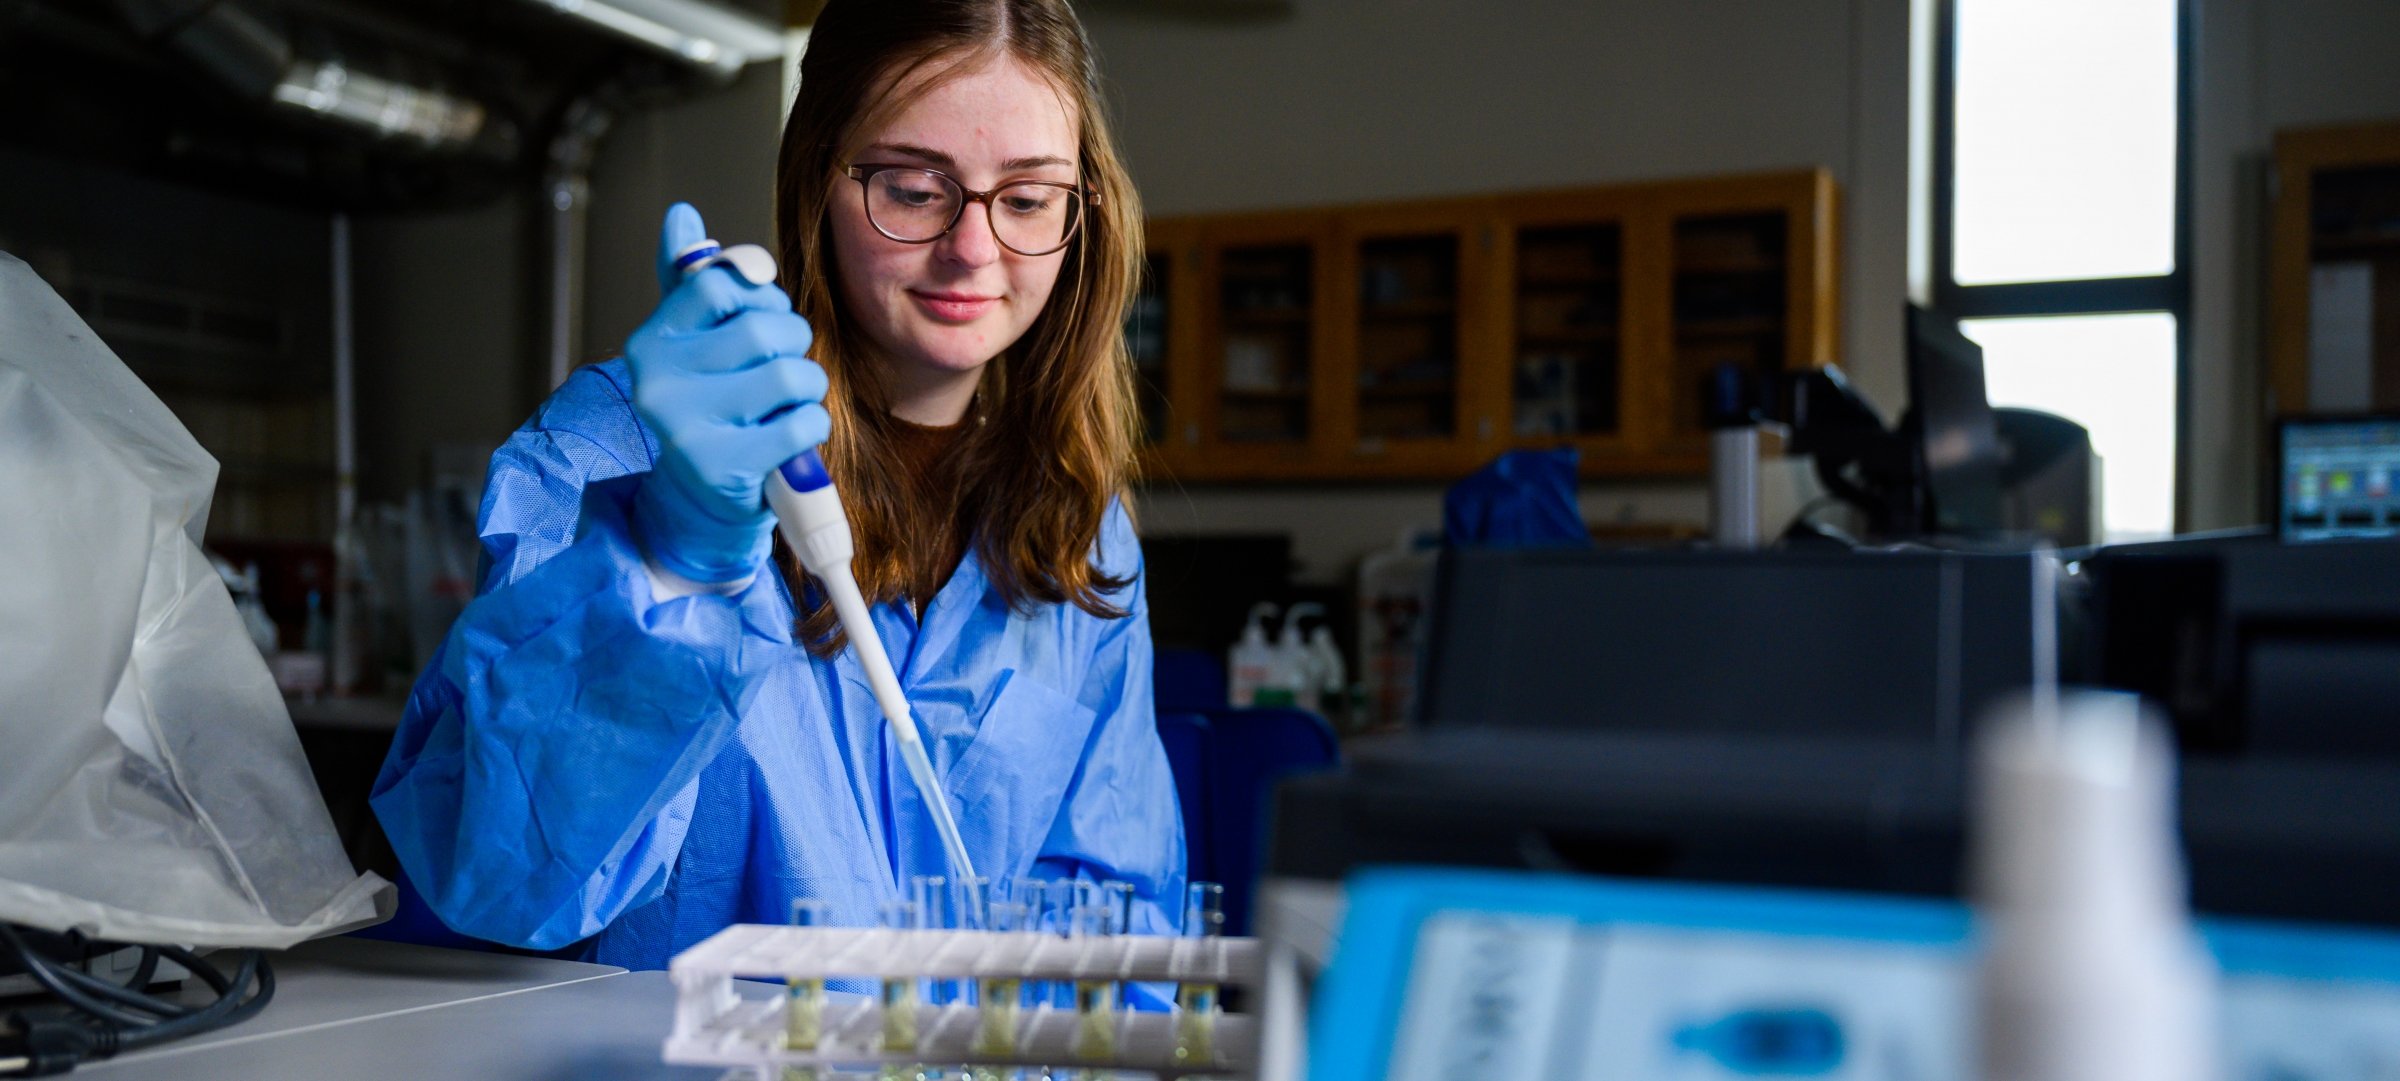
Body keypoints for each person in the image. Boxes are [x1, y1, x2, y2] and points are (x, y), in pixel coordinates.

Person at [370, 0, 1182, 970]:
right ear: (817, 180)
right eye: (915, 189)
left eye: (1027, 198)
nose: (974, 249)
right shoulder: (624, 447)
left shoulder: (1081, 529)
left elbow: (1119, 926)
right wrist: (668, 561)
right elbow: (496, 880)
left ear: (1079, 209)